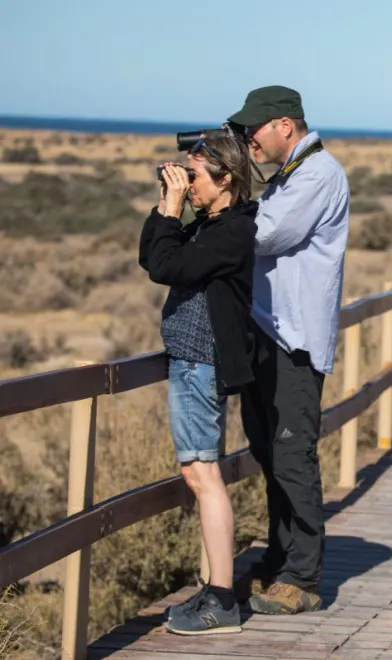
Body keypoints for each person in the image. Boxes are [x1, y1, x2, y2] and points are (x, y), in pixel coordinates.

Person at [227, 85, 350, 615]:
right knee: (270, 453)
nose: (245, 139)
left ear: (284, 125)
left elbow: (268, 235)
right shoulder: (293, 174)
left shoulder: (318, 174)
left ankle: (302, 576)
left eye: (252, 129)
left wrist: (219, 206)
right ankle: (280, 561)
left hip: (294, 340)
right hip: (269, 332)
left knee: (292, 453)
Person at [138, 131, 257, 634]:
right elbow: (152, 257)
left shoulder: (231, 231)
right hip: (192, 362)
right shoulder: (211, 225)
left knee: (203, 475)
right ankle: (217, 591)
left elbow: (165, 267)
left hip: (198, 364)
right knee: (200, 473)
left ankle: (221, 597)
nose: (188, 185)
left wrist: (170, 206)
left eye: (196, 177)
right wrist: (168, 208)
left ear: (226, 178)